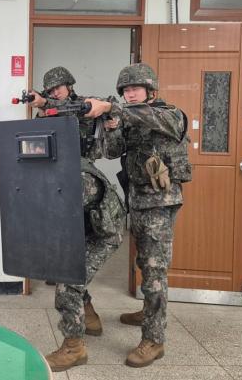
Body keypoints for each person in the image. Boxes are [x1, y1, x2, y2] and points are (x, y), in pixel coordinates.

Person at [84, 63, 191, 368]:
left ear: (150, 90)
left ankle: (154, 340)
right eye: (125, 90)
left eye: (134, 88)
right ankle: (148, 312)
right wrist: (109, 124)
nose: (129, 94)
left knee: (155, 271)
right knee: (144, 262)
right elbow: (110, 152)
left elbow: (150, 117)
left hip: (160, 202)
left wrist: (113, 107)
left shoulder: (169, 114)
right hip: (138, 200)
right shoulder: (127, 117)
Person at [28, 67, 126, 372]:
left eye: (58, 88)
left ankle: (74, 347)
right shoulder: (47, 117)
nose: (55, 93)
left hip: (103, 227)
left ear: (70, 86)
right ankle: (91, 318)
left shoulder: (89, 108)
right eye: (50, 90)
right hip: (87, 214)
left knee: (69, 279)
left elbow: (111, 146)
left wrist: (109, 116)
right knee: (71, 268)